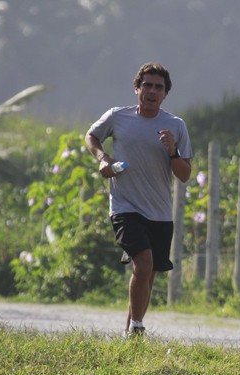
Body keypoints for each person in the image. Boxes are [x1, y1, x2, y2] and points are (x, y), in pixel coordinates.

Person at [85, 62, 192, 336]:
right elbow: (92, 136)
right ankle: (138, 327)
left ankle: (130, 332)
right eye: (147, 85)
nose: (152, 91)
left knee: (148, 272)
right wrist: (103, 158)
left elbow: (184, 175)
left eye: (159, 87)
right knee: (143, 263)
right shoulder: (117, 116)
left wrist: (172, 152)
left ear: (165, 93)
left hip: (159, 211)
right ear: (137, 88)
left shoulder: (175, 126)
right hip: (125, 206)